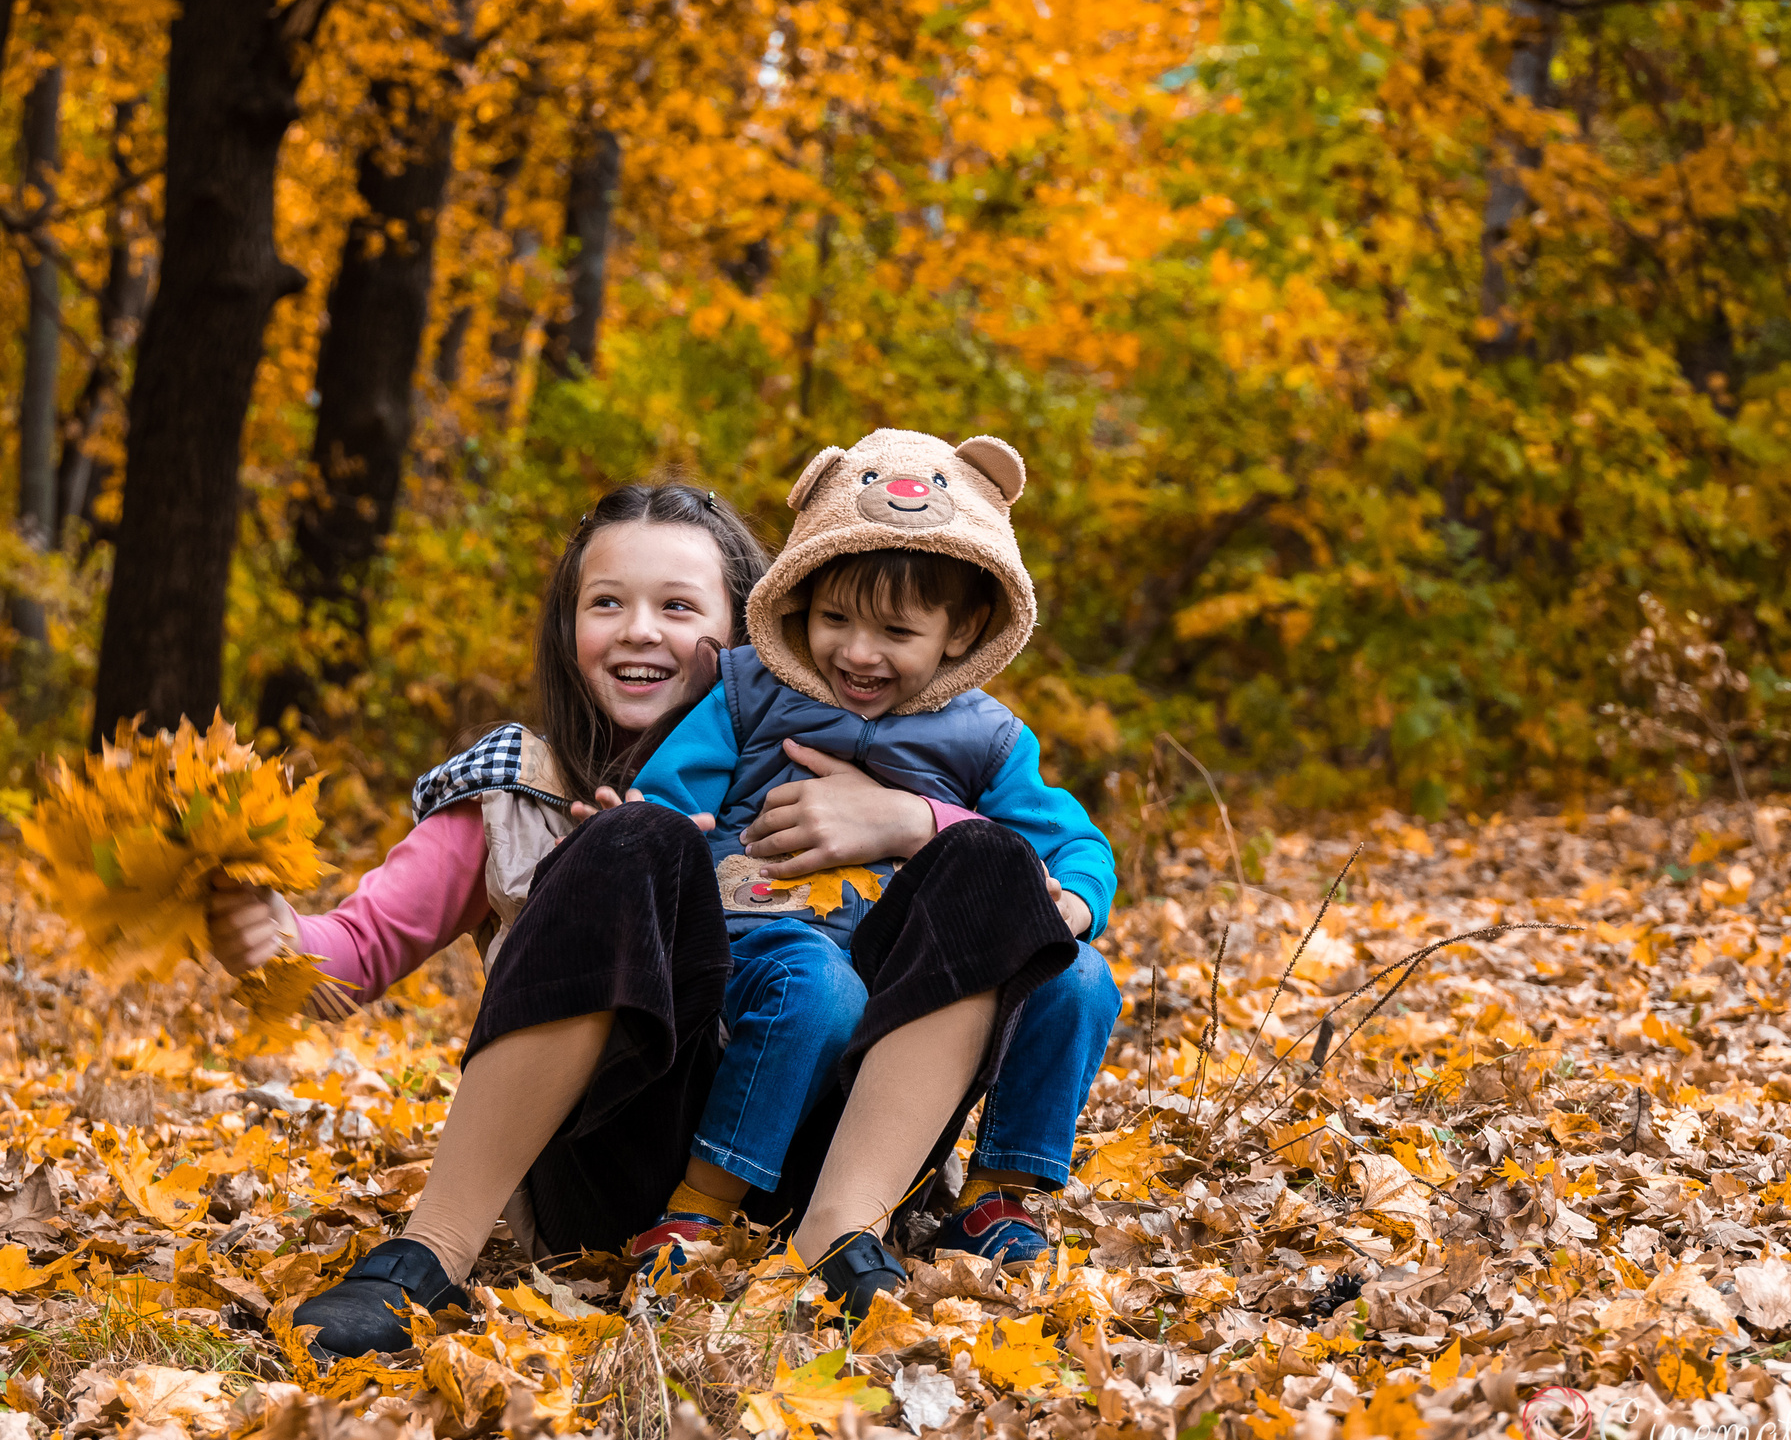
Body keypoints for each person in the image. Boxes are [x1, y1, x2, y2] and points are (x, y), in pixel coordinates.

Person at [212, 473, 1108, 1355]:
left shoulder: (943, 738)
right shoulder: (521, 785)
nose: (640, 629)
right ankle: (428, 1253)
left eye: (678, 607)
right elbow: (348, 957)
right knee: (638, 837)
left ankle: (844, 1234)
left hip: (839, 1145)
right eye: (607, 602)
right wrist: (271, 940)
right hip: (619, 1160)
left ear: (747, 627)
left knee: (987, 861)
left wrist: (914, 821)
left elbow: (1044, 865)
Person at [620, 428, 1120, 1280]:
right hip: (763, 930)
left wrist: (1070, 900)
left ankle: (998, 1195)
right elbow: (670, 801)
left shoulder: (985, 737)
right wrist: (652, 835)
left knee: (1076, 976)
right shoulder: (749, 694)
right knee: (816, 984)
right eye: (835, 618)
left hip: (916, 980)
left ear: (960, 631)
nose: (858, 651)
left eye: (896, 629)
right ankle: (701, 1203)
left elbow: (1073, 841)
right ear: (799, 603)